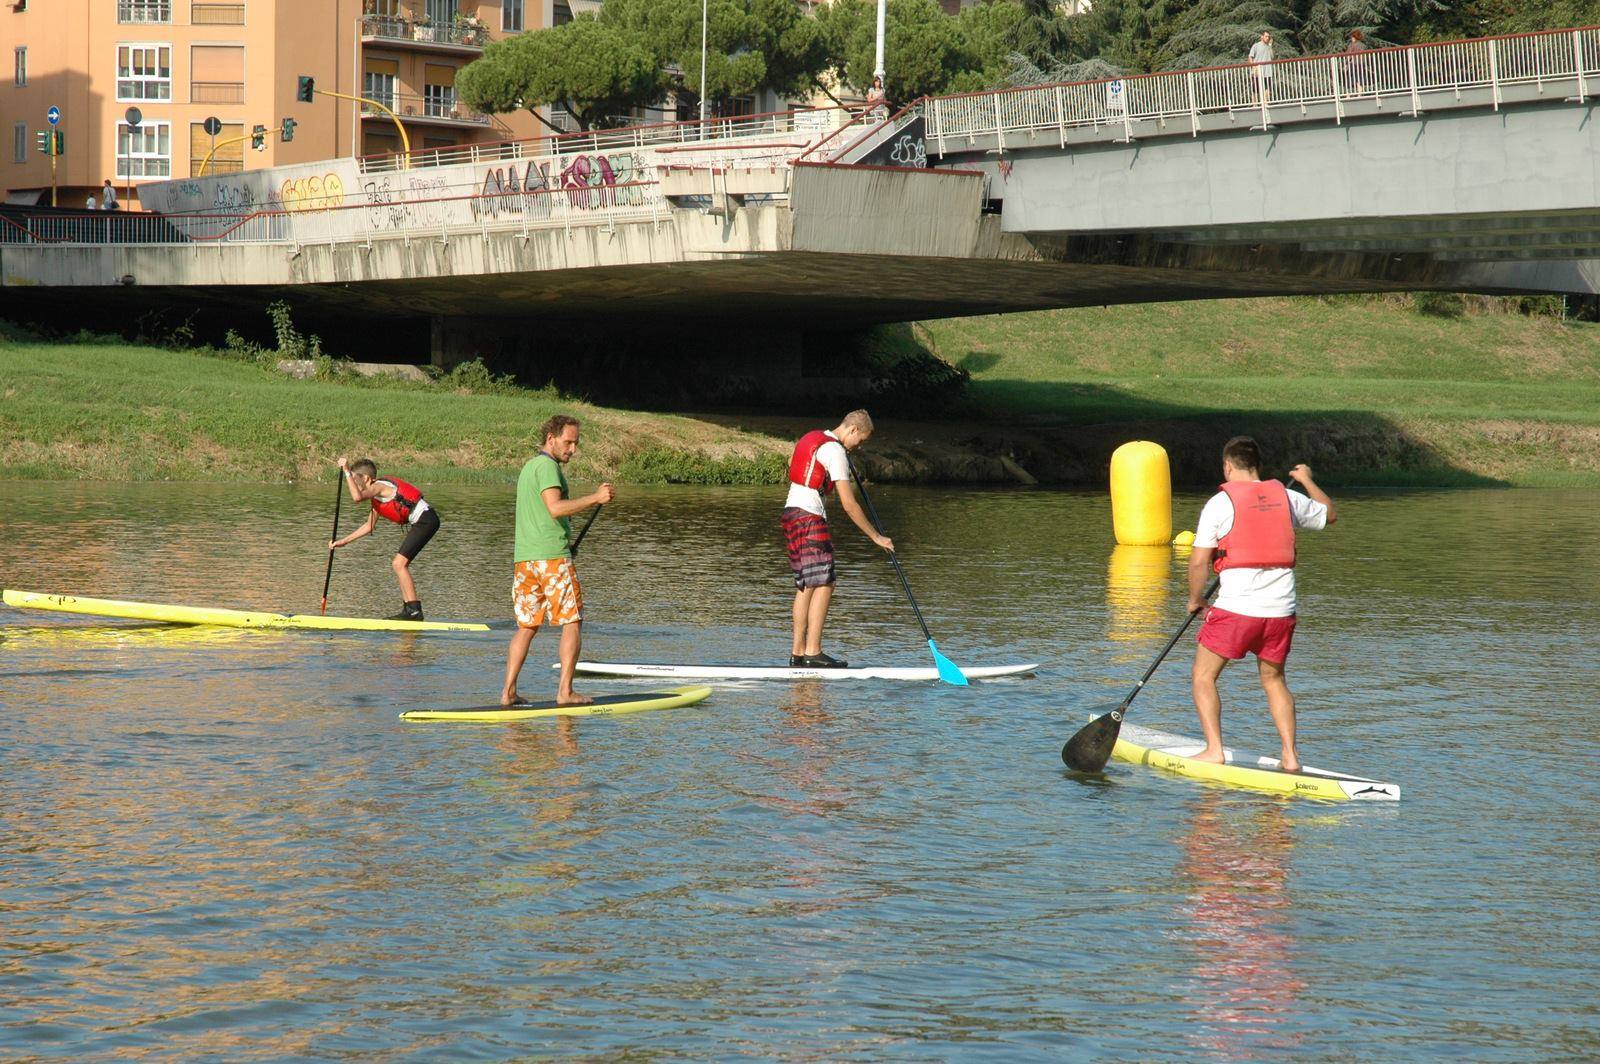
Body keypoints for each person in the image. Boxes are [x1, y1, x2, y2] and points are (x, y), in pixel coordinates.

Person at [1186, 437, 1336, 773]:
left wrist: (1196, 600)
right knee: (1274, 680)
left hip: (1237, 611)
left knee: (1202, 676)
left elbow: (1198, 562)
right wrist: (1308, 479)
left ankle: (1214, 750)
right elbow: (1329, 514)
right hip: (1281, 613)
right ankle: (1291, 757)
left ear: (1227, 466)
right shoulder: (1287, 496)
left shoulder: (1219, 503)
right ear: (1258, 466)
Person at [501, 414, 614, 706]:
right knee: (572, 621)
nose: (572, 449)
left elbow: (541, 516)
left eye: (576, 443)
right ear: (551, 438)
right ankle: (565, 692)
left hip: (525, 560)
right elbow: (555, 508)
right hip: (551, 559)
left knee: (526, 626)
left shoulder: (529, 467)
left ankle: (508, 693)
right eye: (568, 442)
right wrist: (595, 498)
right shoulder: (548, 467)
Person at [782, 409, 893, 668]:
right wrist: (876, 537)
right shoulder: (835, 451)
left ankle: (798, 653)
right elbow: (849, 505)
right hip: (809, 517)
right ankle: (813, 652)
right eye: (861, 440)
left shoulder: (814, 437)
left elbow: (799, 467)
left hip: (791, 513)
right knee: (825, 582)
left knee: (806, 585)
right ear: (853, 430)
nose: (860, 445)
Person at [328, 457, 439, 620]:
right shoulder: (377, 499)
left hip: (426, 520)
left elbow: (357, 498)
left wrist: (346, 471)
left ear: (365, 478)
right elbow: (369, 526)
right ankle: (409, 610)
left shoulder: (378, 486)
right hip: (423, 522)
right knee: (399, 564)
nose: (353, 483)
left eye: (354, 478)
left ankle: (414, 610)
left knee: (398, 564)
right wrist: (343, 542)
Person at [1248, 31, 1274, 103]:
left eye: (1268, 36)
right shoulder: (1256, 46)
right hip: (1257, 71)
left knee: (1267, 88)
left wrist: (1270, 46)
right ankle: (1255, 105)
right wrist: (1253, 67)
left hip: (1267, 72)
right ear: (1262, 37)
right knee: (1255, 89)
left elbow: (1272, 57)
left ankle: (1266, 104)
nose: (1267, 38)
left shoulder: (1269, 47)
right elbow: (1250, 57)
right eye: (1266, 36)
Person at [1343, 29, 1370, 96]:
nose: (1351, 39)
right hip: (1362, 64)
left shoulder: (1352, 45)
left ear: (1354, 37)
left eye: (1352, 37)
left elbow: (1348, 55)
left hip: (1354, 63)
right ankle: (1360, 91)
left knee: (1350, 77)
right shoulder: (1363, 45)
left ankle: (1349, 94)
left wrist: (1345, 63)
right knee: (1360, 76)